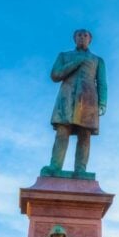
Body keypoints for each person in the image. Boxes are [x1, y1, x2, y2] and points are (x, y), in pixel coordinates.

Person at [45, 29, 108, 175]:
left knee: (84, 135)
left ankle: (81, 169)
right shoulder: (64, 56)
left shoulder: (97, 60)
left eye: (85, 35)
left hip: (88, 100)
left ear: (90, 39)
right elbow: (55, 75)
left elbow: (102, 82)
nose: (82, 37)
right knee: (62, 132)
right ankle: (55, 167)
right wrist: (75, 63)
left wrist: (103, 103)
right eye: (79, 35)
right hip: (66, 99)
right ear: (74, 38)